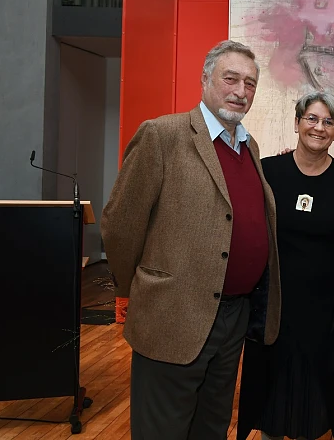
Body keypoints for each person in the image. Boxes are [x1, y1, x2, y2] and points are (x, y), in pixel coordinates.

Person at [101, 40, 281, 440]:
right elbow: (119, 224)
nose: (240, 91)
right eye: (230, 78)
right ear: (205, 80)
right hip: (173, 315)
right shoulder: (162, 136)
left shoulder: (248, 146)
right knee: (162, 430)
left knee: (211, 428)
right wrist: (143, 291)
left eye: (250, 83)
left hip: (233, 319)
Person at [237, 91, 334, 440]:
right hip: (274, 304)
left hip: (325, 308)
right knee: (271, 393)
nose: (319, 127)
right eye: (312, 119)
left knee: (315, 401)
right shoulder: (269, 171)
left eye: (328, 122)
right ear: (297, 123)